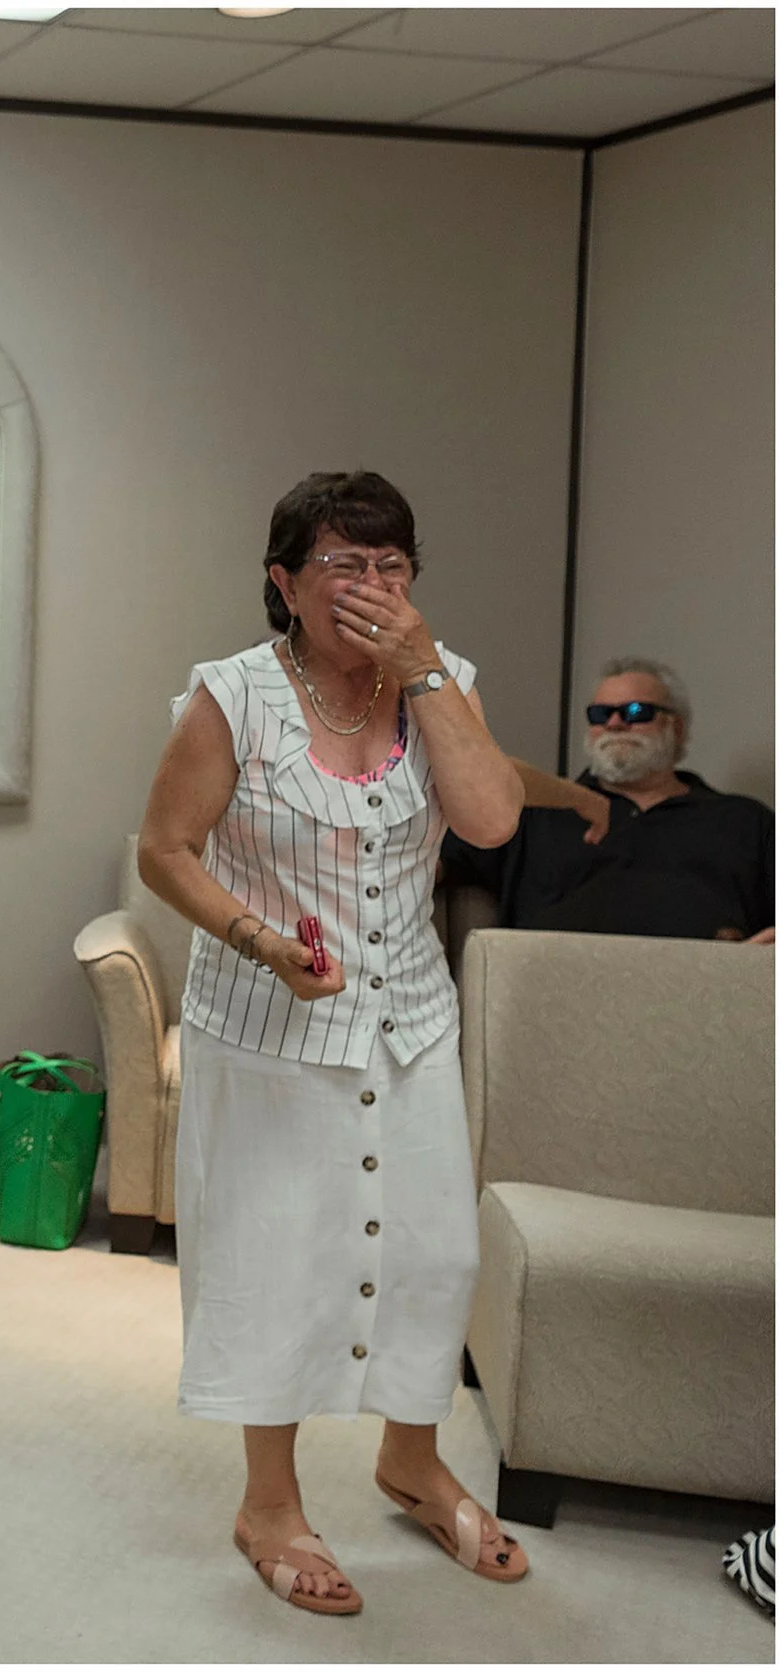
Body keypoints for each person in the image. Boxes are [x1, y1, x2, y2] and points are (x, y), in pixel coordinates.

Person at [136, 471, 527, 1616]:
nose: (371, 587)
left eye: (392, 567)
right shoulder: (232, 696)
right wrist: (258, 941)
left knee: (432, 1253)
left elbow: (494, 818)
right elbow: (165, 848)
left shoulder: (437, 684)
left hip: (408, 1017)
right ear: (285, 584)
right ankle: (268, 1501)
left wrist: (423, 669)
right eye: (344, 566)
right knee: (275, 1265)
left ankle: (411, 1459)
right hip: (266, 1027)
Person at [441, 658, 775, 943]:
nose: (615, 724)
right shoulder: (538, 812)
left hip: (707, 995)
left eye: (636, 711)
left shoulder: (744, 821)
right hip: (554, 994)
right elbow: (426, 855)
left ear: (677, 728)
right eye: (601, 714)